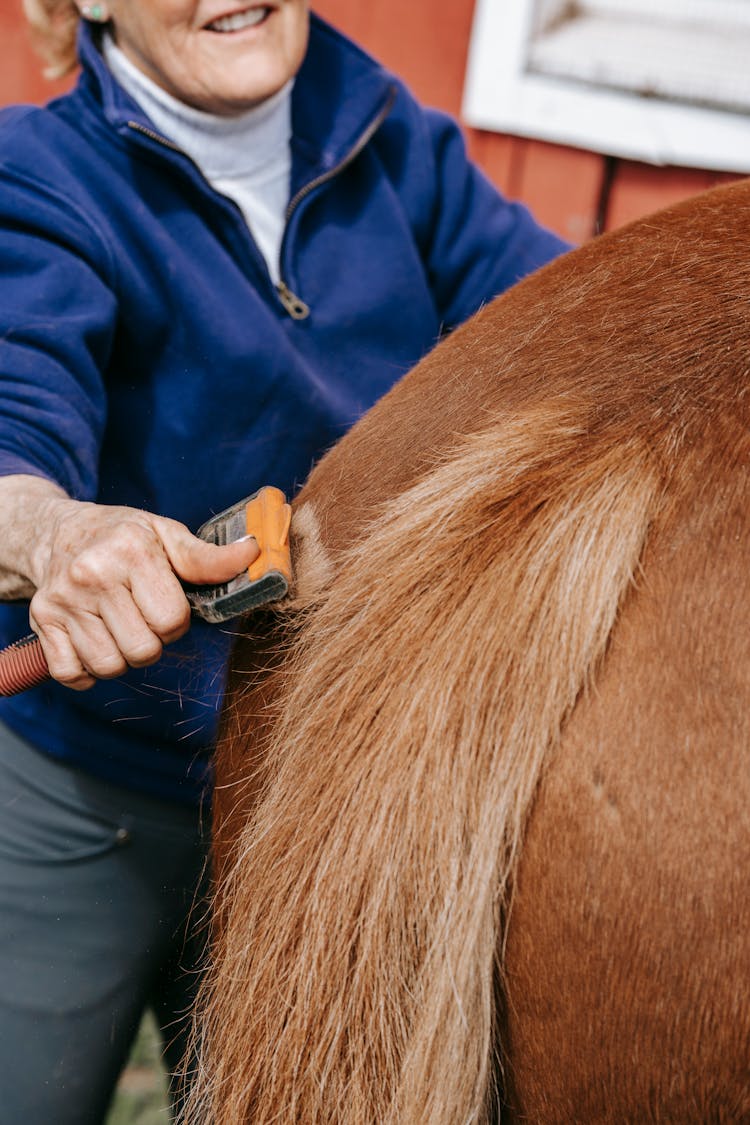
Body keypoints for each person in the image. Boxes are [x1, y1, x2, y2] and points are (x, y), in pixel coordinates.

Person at [0, 1, 570, 1120]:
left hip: (318, 798)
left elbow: (567, 321)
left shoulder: (393, 140)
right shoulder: (40, 173)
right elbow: (11, 421)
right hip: (90, 788)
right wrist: (55, 535)